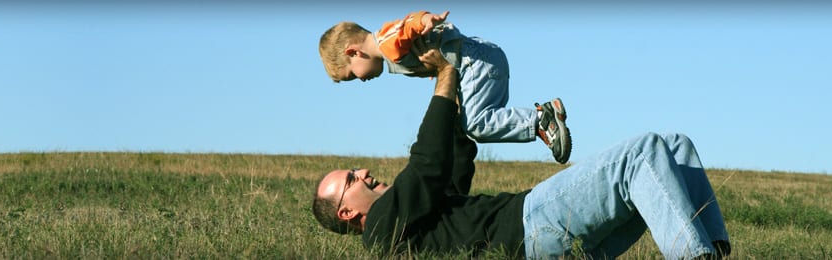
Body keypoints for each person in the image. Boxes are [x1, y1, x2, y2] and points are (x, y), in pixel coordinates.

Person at [310, 49, 731, 259]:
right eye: (350, 179)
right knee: (644, 152)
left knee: (676, 146)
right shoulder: (382, 231)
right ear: (347, 213)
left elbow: (450, 169)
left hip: (547, 240)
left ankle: (713, 248)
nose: (362, 171)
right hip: (531, 225)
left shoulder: (412, 222)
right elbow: (426, 166)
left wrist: (459, 101)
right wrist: (445, 75)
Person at [318, 10, 572, 164]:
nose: (361, 80)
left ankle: (540, 119)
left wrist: (426, 19)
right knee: (475, 123)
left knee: (476, 125)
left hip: (475, 61)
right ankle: (544, 126)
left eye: (353, 75)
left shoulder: (385, 42)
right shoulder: (388, 53)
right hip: (480, 58)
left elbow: (406, 24)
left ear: (354, 51)